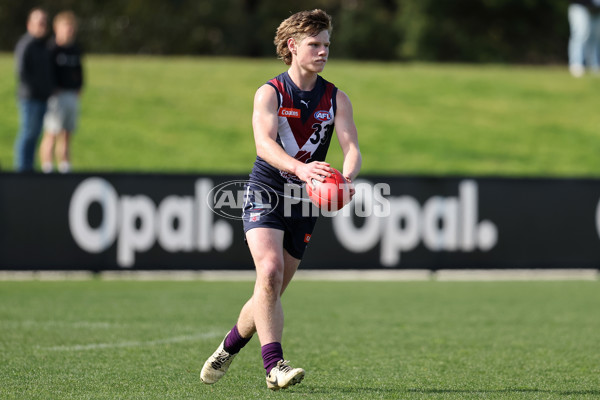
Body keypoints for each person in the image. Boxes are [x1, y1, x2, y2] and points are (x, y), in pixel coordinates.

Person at [200, 9, 361, 391]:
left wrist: (346, 178)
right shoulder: (271, 92)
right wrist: (301, 169)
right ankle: (275, 367)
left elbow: (351, 146)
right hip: (268, 189)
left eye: (326, 45)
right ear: (292, 46)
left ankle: (228, 347)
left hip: (305, 202)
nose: (323, 52)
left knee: (268, 294)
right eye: (314, 45)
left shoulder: (336, 97)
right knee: (268, 272)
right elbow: (264, 144)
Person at [40, 11, 84, 173]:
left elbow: (80, 71)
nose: (69, 31)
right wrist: (53, 89)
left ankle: (65, 169)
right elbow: (46, 73)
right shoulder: (52, 49)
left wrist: (79, 87)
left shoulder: (74, 50)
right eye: (66, 27)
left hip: (71, 96)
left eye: (71, 27)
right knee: (51, 133)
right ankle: (47, 169)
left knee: (66, 135)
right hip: (56, 98)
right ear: (57, 28)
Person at [13, 7, 54, 172]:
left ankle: (29, 168)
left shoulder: (44, 46)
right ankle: (22, 169)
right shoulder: (26, 44)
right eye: (39, 22)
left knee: (35, 136)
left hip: (42, 98)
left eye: (44, 23)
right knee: (27, 135)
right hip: (30, 98)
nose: (42, 26)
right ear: (30, 24)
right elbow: (22, 72)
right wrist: (37, 89)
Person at [568, 0, 600, 77]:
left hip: (597, 10)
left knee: (595, 38)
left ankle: (594, 66)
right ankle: (576, 64)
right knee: (580, 35)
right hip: (580, 6)